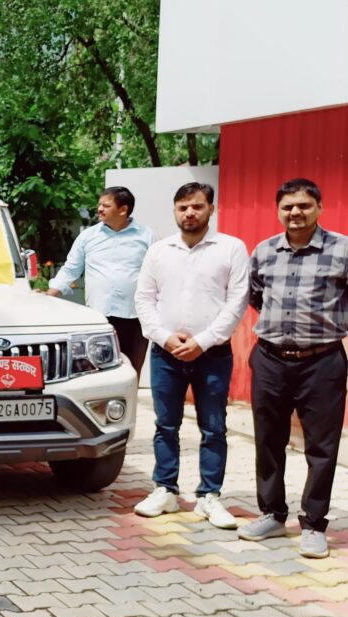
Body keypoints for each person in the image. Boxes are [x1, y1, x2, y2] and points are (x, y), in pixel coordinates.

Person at [239, 178, 348, 559]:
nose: (295, 212)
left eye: (303, 205)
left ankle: (314, 524)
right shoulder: (265, 250)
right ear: (279, 211)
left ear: (319, 207)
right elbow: (256, 295)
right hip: (270, 358)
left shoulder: (342, 250)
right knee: (268, 439)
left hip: (322, 361)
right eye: (287, 207)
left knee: (322, 446)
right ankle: (272, 513)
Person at [132, 183, 248, 529]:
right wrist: (165, 337)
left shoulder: (231, 248)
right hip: (165, 353)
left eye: (197, 206)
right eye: (183, 207)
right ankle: (165, 489)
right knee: (165, 425)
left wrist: (203, 341)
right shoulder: (159, 251)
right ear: (175, 211)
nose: (189, 213)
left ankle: (209, 495)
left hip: (212, 354)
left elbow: (237, 302)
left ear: (211, 208)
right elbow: (144, 299)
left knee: (213, 427)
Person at [47, 186, 155, 374]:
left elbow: (157, 272)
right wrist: (49, 296)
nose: (99, 209)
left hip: (134, 317)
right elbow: (71, 268)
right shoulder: (88, 236)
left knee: (130, 372)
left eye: (106, 205)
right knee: (96, 372)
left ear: (123, 209)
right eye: (99, 205)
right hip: (98, 317)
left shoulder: (146, 236)